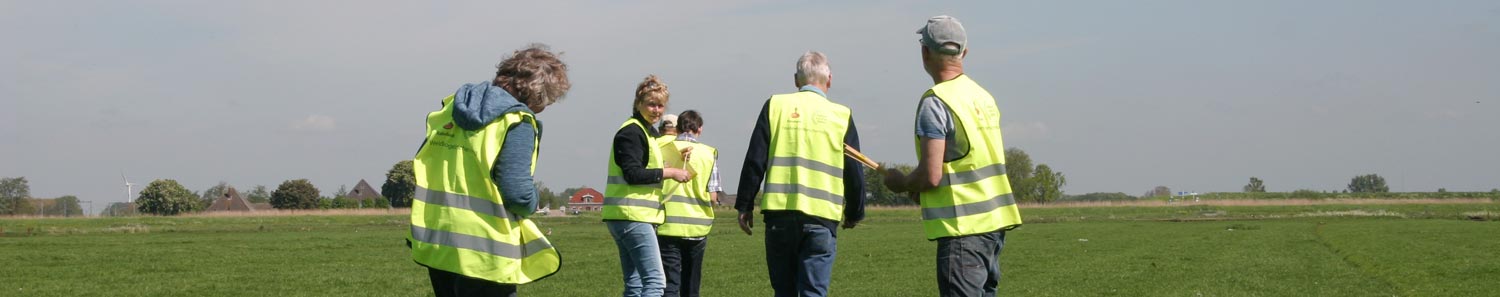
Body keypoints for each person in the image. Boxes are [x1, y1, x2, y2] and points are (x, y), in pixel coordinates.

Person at [408, 43, 571, 297]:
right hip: (485, 248)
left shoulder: (451, 109)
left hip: (439, 241)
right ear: (537, 93)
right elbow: (517, 193)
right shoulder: (517, 121)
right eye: (548, 98)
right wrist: (533, 202)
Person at [881, 16, 1023, 297]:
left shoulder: (936, 101)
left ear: (925, 52)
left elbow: (931, 175)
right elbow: (967, 161)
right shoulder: (983, 96)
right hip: (993, 227)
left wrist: (902, 183)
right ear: (964, 52)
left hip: (963, 231)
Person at [735, 51, 865, 297]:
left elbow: (755, 160)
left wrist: (745, 205)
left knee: (784, 291)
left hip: (779, 215)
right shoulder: (841, 115)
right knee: (813, 291)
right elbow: (854, 171)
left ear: (796, 80)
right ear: (830, 80)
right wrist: (855, 212)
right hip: (821, 217)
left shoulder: (775, 105)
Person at [605, 74, 694, 297]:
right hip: (633, 216)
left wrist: (672, 161)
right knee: (655, 281)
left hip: (628, 216)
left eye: (660, 105)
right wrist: (671, 172)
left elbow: (647, 166)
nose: (656, 110)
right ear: (638, 104)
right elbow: (633, 174)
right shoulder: (632, 132)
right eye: (651, 104)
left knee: (635, 284)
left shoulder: (646, 132)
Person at [656, 110, 721, 297]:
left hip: (667, 225)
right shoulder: (709, 153)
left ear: (677, 128)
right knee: (691, 284)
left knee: (669, 283)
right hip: (698, 228)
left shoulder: (662, 150)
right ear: (699, 129)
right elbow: (713, 196)